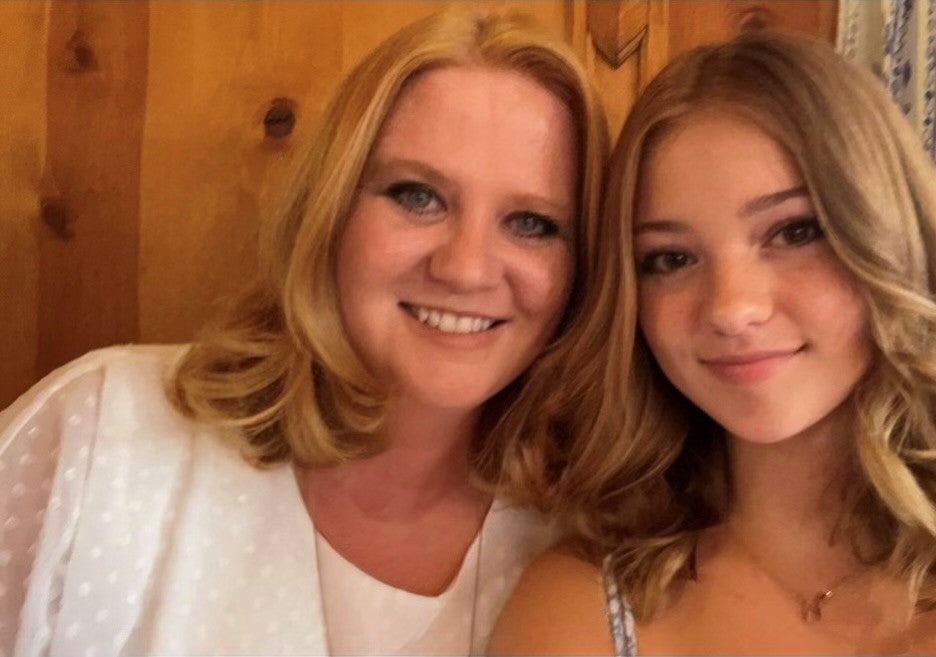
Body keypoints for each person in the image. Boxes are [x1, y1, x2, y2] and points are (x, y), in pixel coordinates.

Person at [488, 31, 936, 656]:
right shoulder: (579, 610)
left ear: (892, 244)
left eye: (793, 232)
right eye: (669, 259)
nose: (731, 308)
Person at [0, 10, 607, 656]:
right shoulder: (99, 434)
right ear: (333, 209)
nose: (465, 267)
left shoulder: (597, 541)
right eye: (417, 196)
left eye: (533, 223)